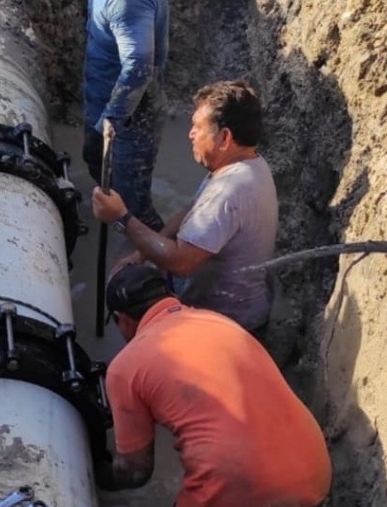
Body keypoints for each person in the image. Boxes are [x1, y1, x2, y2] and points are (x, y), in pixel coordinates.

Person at [95, 265, 330, 507]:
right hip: (315, 481)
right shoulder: (219, 322)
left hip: (241, 499)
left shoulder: (125, 366)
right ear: (168, 296)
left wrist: (99, 475)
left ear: (121, 319)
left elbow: (136, 471)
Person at [93, 80, 278, 337]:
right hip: (240, 306)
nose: (190, 134)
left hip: (228, 325)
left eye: (197, 127)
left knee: (127, 298)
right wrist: (141, 254)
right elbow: (193, 209)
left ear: (224, 138)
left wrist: (122, 218)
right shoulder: (247, 164)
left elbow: (181, 263)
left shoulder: (229, 191)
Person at [43, 0, 169, 231]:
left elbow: (140, 65)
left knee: (134, 207)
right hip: (105, 102)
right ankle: (110, 225)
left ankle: (155, 267)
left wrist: (113, 117)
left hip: (130, 116)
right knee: (96, 165)